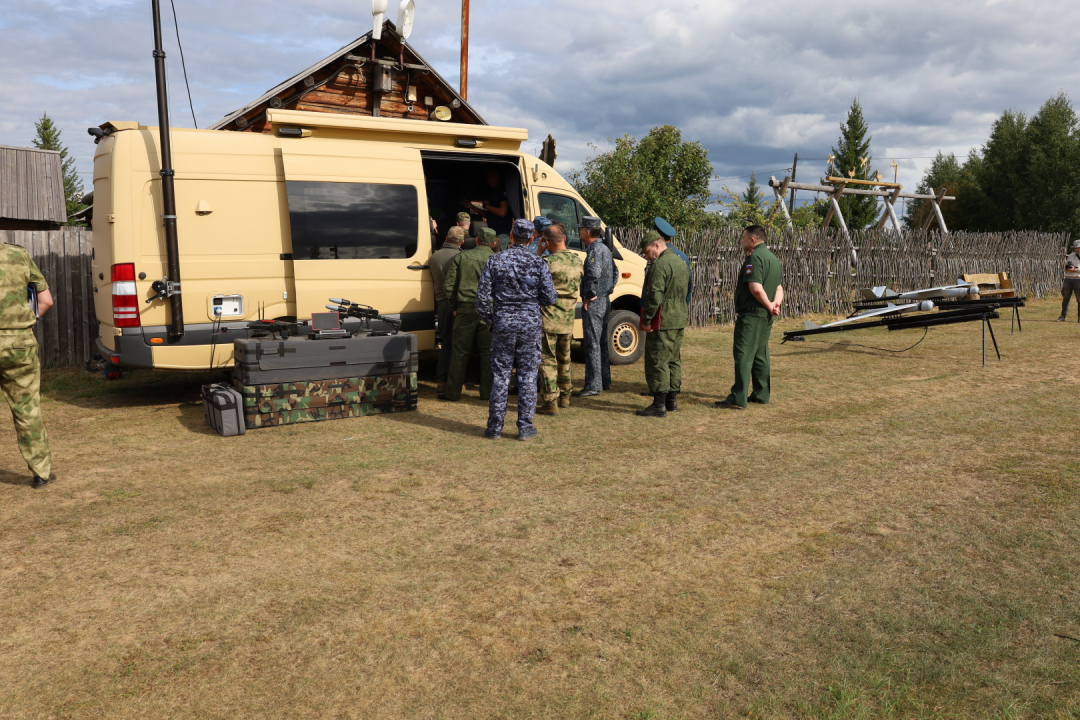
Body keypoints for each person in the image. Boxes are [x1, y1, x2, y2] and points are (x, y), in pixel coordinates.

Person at [475, 221, 558, 440]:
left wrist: (492, 321)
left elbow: (482, 299)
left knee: (501, 376)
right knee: (528, 376)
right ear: (531, 238)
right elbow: (550, 297)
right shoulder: (538, 262)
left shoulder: (495, 260)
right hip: (530, 324)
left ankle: (494, 428)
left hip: (503, 323)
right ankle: (525, 427)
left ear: (511, 235)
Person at [0, 243, 54, 487]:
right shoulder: (18, 254)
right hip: (18, 342)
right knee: (27, 409)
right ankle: (41, 473)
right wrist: (25, 323)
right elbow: (46, 301)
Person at [715, 225, 784, 410]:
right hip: (766, 316)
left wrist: (769, 305)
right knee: (761, 355)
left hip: (752, 314)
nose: (742, 242)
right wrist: (775, 305)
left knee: (743, 355)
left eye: (744, 238)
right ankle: (761, 394)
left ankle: (738, 397)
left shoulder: (754, 258)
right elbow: (779, 288)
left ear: (753, 239)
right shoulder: (773, 259)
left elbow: (755, 287)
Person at [636, 230, 689, 417]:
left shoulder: (659, 266)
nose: (646, 256)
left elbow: (654, 297)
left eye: (647, 251)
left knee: (658, 360)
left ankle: (658, 405)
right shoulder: (681, 262)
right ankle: (671, 401)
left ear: (656, 245)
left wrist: (647, 320)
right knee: (673, 360)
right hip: (679, 318)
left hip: (663, 320)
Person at [441, 227, 497, 402]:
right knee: (488, 353)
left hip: (465, 308)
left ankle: (452, 392)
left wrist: (454, 306)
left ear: (477, 240)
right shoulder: (497, 260)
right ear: (494, 243)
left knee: (459, 352)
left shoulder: (462, 257)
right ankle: (487, 393)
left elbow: (449, 286)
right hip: (490, 310)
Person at [537, 224, 584, 415]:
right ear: (564, 238)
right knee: (565, 359)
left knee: (548, 360)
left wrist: (539, 253)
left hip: (548, 319)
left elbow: (533, 282)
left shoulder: (546, 262)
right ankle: (565, 396)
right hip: (568, 319)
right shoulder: (577, 261)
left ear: (546, 242)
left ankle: (550, 402)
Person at [574, 216, 617, 397]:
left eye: (581, 228)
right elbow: (615, 272)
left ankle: (593, 385)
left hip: (595, 303)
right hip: (605, 300)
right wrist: (607, 290)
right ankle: (604, 380)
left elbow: (593, 273)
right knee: (602, 343)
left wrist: (589, 296)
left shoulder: (594, 250)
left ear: (588, 231)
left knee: (592, 344)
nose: (579, 231)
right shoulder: (605, 249)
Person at [429, 225, 465, 394]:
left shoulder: (434, 257)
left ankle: (441, 381)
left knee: (445, 343)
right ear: (462, 241)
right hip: (456, 305)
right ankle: (455, 381)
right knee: (458, 345)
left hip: (441, 304)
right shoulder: (461, 257)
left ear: (446, 238)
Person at [653, 216, 693, 305]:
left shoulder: (655, 255)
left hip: (659, 310)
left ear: (656, 234)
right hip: (679, 308)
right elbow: (689, 284)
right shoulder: (683, 256)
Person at [465, 169, 512, 236]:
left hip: (501, 233)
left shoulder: (502, 190)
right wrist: (471, 206)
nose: (487, 179)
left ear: (495, 174)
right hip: (491, 233)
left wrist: (487, 206)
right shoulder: (493, 192)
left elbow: (502, 212)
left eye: (488, 176)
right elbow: (488, 214)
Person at [1059, 239, 1080, 322]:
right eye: (1075, 248)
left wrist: (1075, 269)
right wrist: (1067, 268)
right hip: (1068, 278)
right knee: (1066, 298)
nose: (1077, 249)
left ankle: (1079, 317)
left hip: (1078, 279)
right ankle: (1063, 316)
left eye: (1078, 248)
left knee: (1079, 299)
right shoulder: (1071, 255)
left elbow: (1076, 268)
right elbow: (1065, 266)